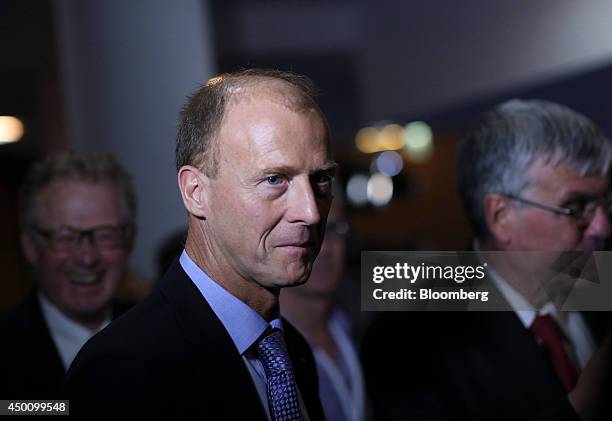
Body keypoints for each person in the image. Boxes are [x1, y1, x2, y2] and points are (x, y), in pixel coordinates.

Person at [63, 69, 336, 419]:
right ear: (196, 192)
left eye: (321, 179)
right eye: (274, 180)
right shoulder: (121, 368)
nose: (311, 212)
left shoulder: (289, 350)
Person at [362, 99, 612, 420]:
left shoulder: (596, 278)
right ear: (500, 216)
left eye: (605, 201)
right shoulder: (409, 342)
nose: (602, 226)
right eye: (576, 207)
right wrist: (580, 406)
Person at [0, 151, 137, 399]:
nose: (87, 258)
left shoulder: (169, 338)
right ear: (30, 246)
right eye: (65, 237)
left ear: (129, 242)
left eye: (106, 234)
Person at [282, 182, 366, 421]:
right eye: (309, 231)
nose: (325, 247)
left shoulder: (353, 330)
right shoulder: (269, 352)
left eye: (334, 230)